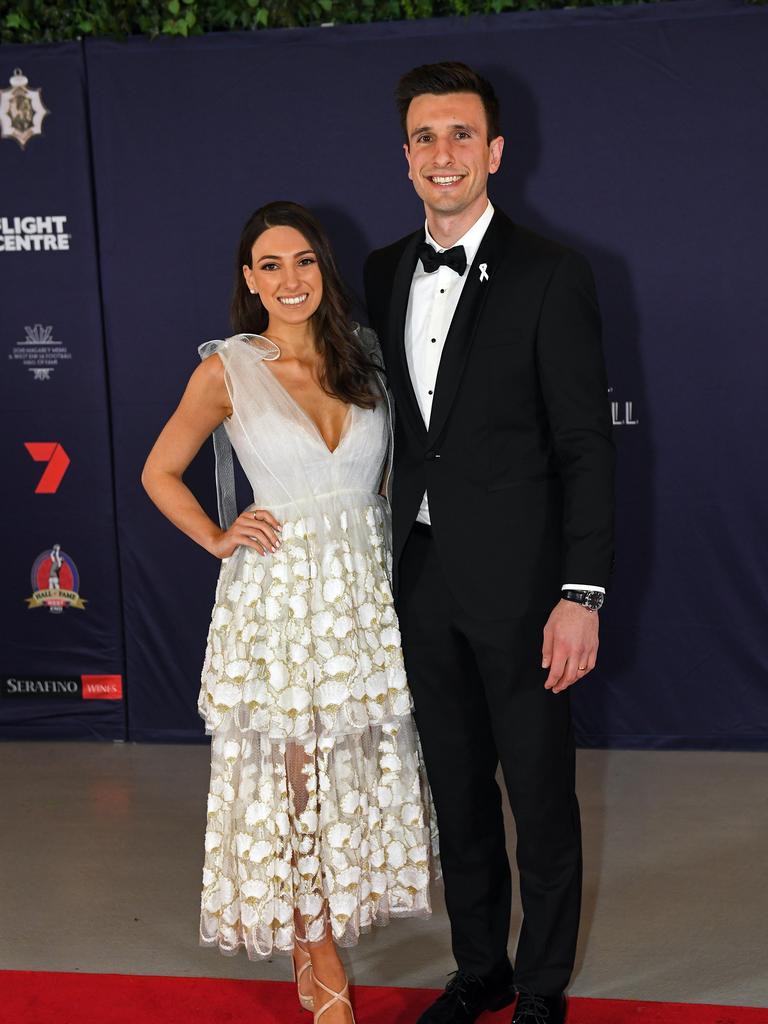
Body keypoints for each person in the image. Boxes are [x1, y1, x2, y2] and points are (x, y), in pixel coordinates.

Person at [364, 63, 615, 1024]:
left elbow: (588, 448)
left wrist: (579, 595)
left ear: (495, 151)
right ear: (406, 157)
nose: (443, 154)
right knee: (457, 794)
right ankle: (482, 970)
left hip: (524, 592)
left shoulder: (556, 273)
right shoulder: (387, 269)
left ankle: (543, 986)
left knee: (541, 799)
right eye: (426, 137)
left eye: (461, 135)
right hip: (419, 581)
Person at [142, 201, 434, 1024]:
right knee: (298, 782)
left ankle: (316, 941)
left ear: (323, 269)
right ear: (248, 280)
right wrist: (216, 534)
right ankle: (321, 951)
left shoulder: (367, 360)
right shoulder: (227, 370)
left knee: (356, 776)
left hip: (365, 596)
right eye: (269, 266)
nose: (289, 280)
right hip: (279, 600)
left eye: (302, 261)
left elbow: (392, 483)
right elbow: (161, 471)